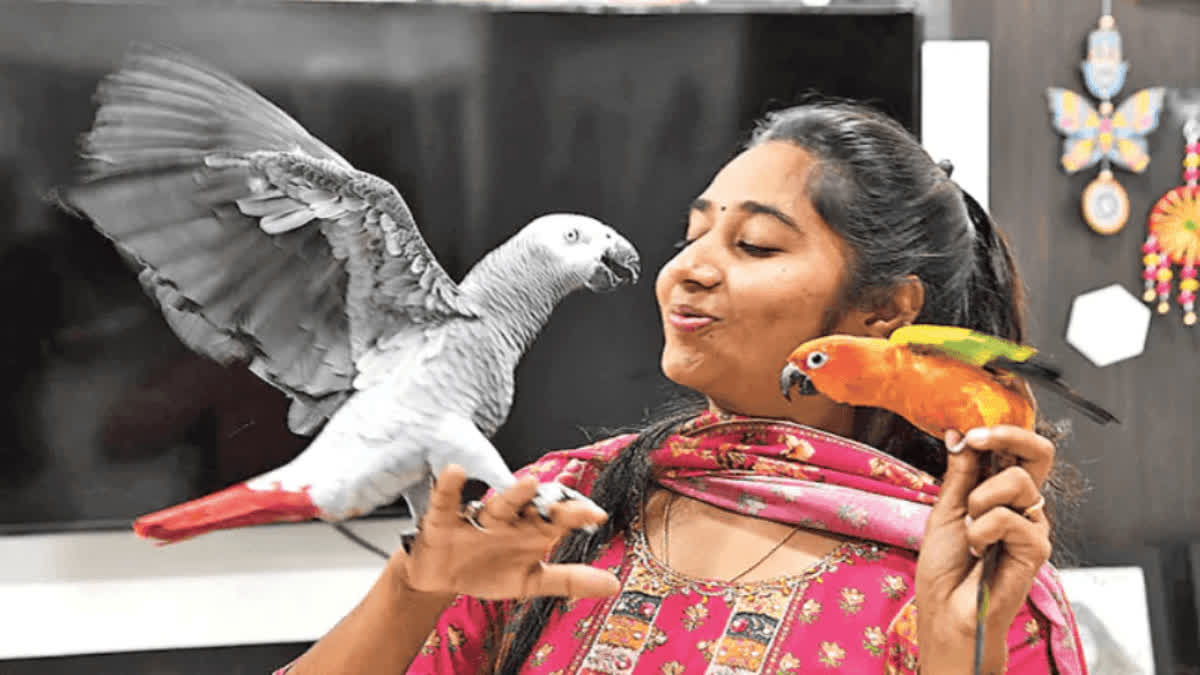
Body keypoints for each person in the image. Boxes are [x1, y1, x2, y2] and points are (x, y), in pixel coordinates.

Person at [276, 100, 1087, 674]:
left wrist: (956, 657)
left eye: (755, 245)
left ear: (884, 311)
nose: (687, 270)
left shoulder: (970, 579)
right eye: (692, 234)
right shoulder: (561, 506)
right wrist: (415, 587)